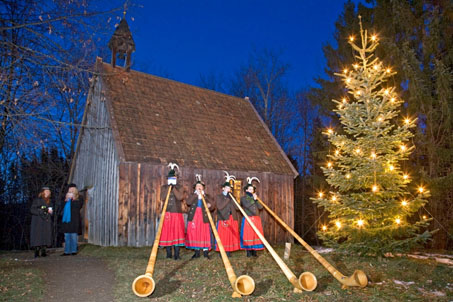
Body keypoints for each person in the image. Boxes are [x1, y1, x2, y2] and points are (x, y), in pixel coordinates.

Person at [159, 163, 186, 260]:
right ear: (167, 179)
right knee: (167, 232)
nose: (172, 180)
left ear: (176, 179)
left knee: (176, 232)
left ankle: (177, 254)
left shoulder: (180, 187)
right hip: (166, 213)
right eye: (170, 178)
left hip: (176, 213)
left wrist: (173, 188)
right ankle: (169, 253)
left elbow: (179, 197)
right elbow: (162, 197)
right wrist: (168, 188)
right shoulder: (164, 187)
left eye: (173, 178)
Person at [185, 174, 215, 259]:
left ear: (203, 188)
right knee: (195, 233)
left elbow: (213, 205)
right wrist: (196, 195)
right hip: (194, 216)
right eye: (197, 186)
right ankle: (197, 252)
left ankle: (205, 253)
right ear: (195, 188)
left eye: (200, 186)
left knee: (204, 233)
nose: (199, 188)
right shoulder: (192, 195)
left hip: (203, 217)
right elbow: (188, 202)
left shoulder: (207, 196)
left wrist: (206, 199)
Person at [214, 175, 240, 257]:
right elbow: (220, 206)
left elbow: (237, 208)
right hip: (223, 218)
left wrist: (233, 199)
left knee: (230, 235)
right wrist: (227, 199)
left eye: (230, 188)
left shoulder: (232, 197)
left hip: (232, 218)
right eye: (227, 188)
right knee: (223, 236)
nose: (229, 189)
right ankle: (222, 251)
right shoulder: (219, 197)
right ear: (223, 188)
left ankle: (229, 251)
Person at [240, 177, 264, 257]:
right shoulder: (243, 198)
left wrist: (256, 200)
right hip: (248, 218)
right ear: (246, 190)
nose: (251, 190)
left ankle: (254, 251)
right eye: (250, 189)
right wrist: (253, 199)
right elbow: (246, 205)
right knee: (248, 234)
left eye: (252, 189)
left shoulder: (255, 198)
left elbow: (260, 207)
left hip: (256, 218)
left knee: (255, 234)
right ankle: (248, 251)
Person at [60, 183, 83, 256]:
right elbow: (61, 208)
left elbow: (78, 207)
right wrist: (66, 200)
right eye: (70, 190)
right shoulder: (65, 198)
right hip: (67, 220)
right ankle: (67, 251)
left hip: (74, 220)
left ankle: (73, 250)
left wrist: (73, 199)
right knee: (67, 236)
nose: (71, 191)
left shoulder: (79, 198)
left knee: (73, 236)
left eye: (73, 189)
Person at [30, 186, 53, 258]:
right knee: (37, 236)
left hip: (46, 221)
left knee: (45, 235)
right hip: (38, 221)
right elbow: (32, 210)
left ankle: (43, 251)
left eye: (49, 191)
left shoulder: (50, 201)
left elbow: (50, 210)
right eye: (46, 191)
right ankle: (36, 251)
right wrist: (41, 211)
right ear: (43, 192)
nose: (48, 192)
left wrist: (49, 212)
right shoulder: (37, 200)